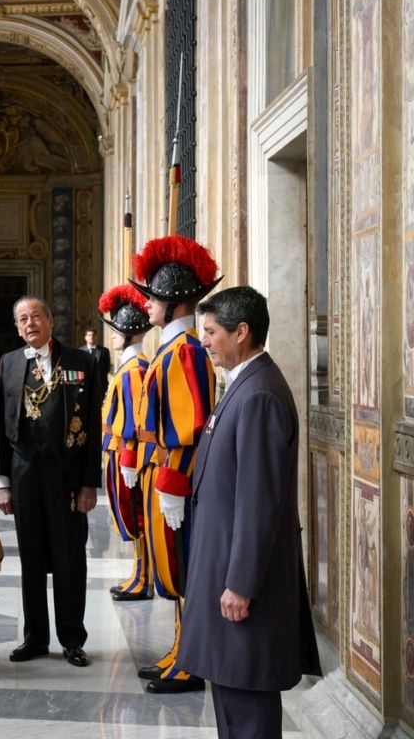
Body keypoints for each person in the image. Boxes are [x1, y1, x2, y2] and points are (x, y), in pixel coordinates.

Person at [178, 286, 322, 737]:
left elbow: (259, 501)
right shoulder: (244, 384)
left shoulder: (259, 394)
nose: (204, 340)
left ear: (241, 332)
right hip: (224, 570)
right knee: (231, 692)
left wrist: (240, 584)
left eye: (211, 331)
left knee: (248, 705)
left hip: (241, 585)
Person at [130, 234, 220, 694]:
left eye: (154, 298)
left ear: (175, 303)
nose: (147, 305)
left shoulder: (183, 350)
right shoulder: (170, 349)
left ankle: (193, 660)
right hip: (161, 472)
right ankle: (182, 650)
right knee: (172, 570)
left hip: (173, 477)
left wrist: (172, 483)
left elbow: (189, 427)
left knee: (183, 569)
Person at [0, 296, 102, 667]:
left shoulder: (80, 362)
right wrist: (2, 481)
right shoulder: (9, 363)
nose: (30, 323)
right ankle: (35, 638)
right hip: (24, 472)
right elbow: (0, 425)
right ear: (18, 328)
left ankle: (71, 639)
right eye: (23, 319)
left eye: (36, 316)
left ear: (51, 321)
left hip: (66, 476)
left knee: (69, 558)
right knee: (31, 558)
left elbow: (93, 426)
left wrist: (89, 483)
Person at [97, 285, 153, 602]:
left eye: (117, 331)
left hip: (125, 453)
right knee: (130, 515)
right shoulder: (130, 366)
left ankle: (144, 579)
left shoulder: (134, 369)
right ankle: (137, 573)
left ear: (129, 333)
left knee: (136, 515)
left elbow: (133, 420)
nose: (113, 336)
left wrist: (129, 458)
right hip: (118, 451)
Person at [83, 327, 112, 400]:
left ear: (96, 337)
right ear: (85, 337)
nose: (91, 337)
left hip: (101, 384)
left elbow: (107, 368)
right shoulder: (80, 351)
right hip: (85, 384)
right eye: (89, 335)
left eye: (93, 335)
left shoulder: (104, 351)